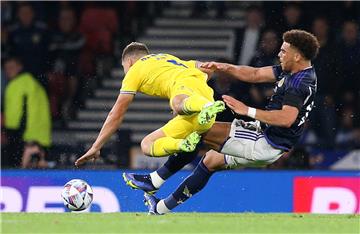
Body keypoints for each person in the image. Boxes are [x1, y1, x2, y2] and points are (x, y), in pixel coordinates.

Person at [123, 29, 320, 214]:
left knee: (198, 130)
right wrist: (223, 67)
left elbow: (287, 119)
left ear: (297, 56)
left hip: (265, 142)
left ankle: (155, 180)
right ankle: (160, 208)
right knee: (210, 161)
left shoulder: (299, 83)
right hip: (269, 141)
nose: (279, 54)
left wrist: (247, 110)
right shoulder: (293, 71)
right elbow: (255, 74)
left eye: (284, 51)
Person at [75, 42, 225, 166]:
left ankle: (204, 108)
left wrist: (96, 146)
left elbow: (117, 113)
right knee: (147, 144)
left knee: (177, 104)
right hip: (202, 103)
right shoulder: (166, 58)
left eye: (124, 68)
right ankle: (183, 144)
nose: (126, 72)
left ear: (129, 62)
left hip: (193, 99)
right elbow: (207, 69)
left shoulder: (135, 70)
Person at [3, 57, 51, 168]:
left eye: (11, 67)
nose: (8, 71)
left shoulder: (19, 84)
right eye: (6, 68)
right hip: (37, 134)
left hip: (24, 134)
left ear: (20, 67)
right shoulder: (32, 82)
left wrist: (10, 131)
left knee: (19, 168)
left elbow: (17, 112)